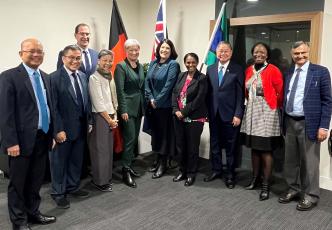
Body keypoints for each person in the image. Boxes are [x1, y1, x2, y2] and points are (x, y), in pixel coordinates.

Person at [0, 38, 56, 230]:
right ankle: (19, 222)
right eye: (31, 51)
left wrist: (53, 134)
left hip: (42, 137)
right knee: (18, 183)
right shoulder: (9, 76)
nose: (36, 54)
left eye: (40, 51)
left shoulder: (46, 77)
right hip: (20, 142)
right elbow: (5, 113)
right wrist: (10, 142)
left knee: (35, 180)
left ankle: (33, 213)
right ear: (21, 54)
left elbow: (49, 108)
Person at [279, 41, 332, 211]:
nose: (300, 56)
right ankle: (293, 189)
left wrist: (324, 127)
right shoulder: (288, 72)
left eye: (303, 53)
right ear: (292, 54)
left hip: (310, 123)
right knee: (290, 160)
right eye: (296, 53)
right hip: (289, 121)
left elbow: (327, 101)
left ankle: (311, 195)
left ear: (308, 52)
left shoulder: (321, 72)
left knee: (310, 162)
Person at [240, 42, 283, 201]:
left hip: (267, 112)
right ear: (252, 54)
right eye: (256, 51)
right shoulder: (248, 70)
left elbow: (280, 93)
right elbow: (246, 91)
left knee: (266, 150)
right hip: (251, 111)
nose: (259, 54)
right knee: (254, 148)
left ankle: (266, 184)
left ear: (267, 54)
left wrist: (270, 106)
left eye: (262, 51)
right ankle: (255, 178)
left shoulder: (273, 70)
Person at [50, 45, 91, 209]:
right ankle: (58, 193)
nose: (75, 61)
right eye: (71, 58)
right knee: (59, 162)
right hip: (63, 130)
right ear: (63, 59)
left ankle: (73, 187)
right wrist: (57, 130)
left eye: (78, 58)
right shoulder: (53, 78)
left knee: (76, 160)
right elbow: (53, 107)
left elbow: (85, 102)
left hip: (80, 127)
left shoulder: (82, 76)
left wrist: (89, 122)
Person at [204, 41, 244, 189]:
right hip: (214, 114)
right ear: (216, 53)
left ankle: (230, 175)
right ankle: (216, 170)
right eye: (220, 51)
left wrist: (238, 114)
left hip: (231, 115)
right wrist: (207, 112)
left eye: (226, 51)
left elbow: (240, 95)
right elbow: (208, 93)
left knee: (230, 147)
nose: (223, 54)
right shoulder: (211, 68)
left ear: (231, 53)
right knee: (214, 145)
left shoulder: (237, 69)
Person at [145, 39, 180, 179]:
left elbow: (169, 85)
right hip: (152, 105)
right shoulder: (153, 63)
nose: (164, 50)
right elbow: (147, 82)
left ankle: (163, 163)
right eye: (162, 47)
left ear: (171, 51)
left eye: (167, 48)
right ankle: (158, 159)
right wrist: (151, 98)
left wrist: (157, 101)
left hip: (164, 106)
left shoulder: (173, 64)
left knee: (165, 136)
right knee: (156, 135)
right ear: (158, 49)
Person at [172, 53, 208, 186]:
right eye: (188, 62)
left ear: (197, 62)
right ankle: (182, 171)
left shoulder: (202, 78)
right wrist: (176, 110)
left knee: (192, 147)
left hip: (194, 118)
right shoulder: (181, 75)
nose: (190, 65)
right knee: (181, 146)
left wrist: (184, 112)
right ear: (185, 63)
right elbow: (174, 93)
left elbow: (199, 99)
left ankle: (191, 173)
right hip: (178, 118)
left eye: (193, 62)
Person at [114, 39, 145, 188]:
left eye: (136, 50)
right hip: (127, 109)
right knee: (129, 139)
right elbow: (120, 90)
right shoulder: (121, 66)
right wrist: (124, 110)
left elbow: (141, 87)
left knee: (133, 139)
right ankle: (125, 170)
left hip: (138, 107)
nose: (134, 52)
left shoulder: (139, 66)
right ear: (126, 51)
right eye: (131, 50)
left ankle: (129, 165)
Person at [88, 49, 118, 192]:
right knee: (100, 150)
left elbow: (113, 97)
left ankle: (106, 178)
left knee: (107, 150)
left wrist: (115, 115)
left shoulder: (109, 75)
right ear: (98, 61)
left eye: (110, 60)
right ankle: (99, 181)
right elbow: (98, 102)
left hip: (111, 116)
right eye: (104, 60)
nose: (107, 63)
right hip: (101, 117)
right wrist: (110, 120)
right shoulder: (94, 78)